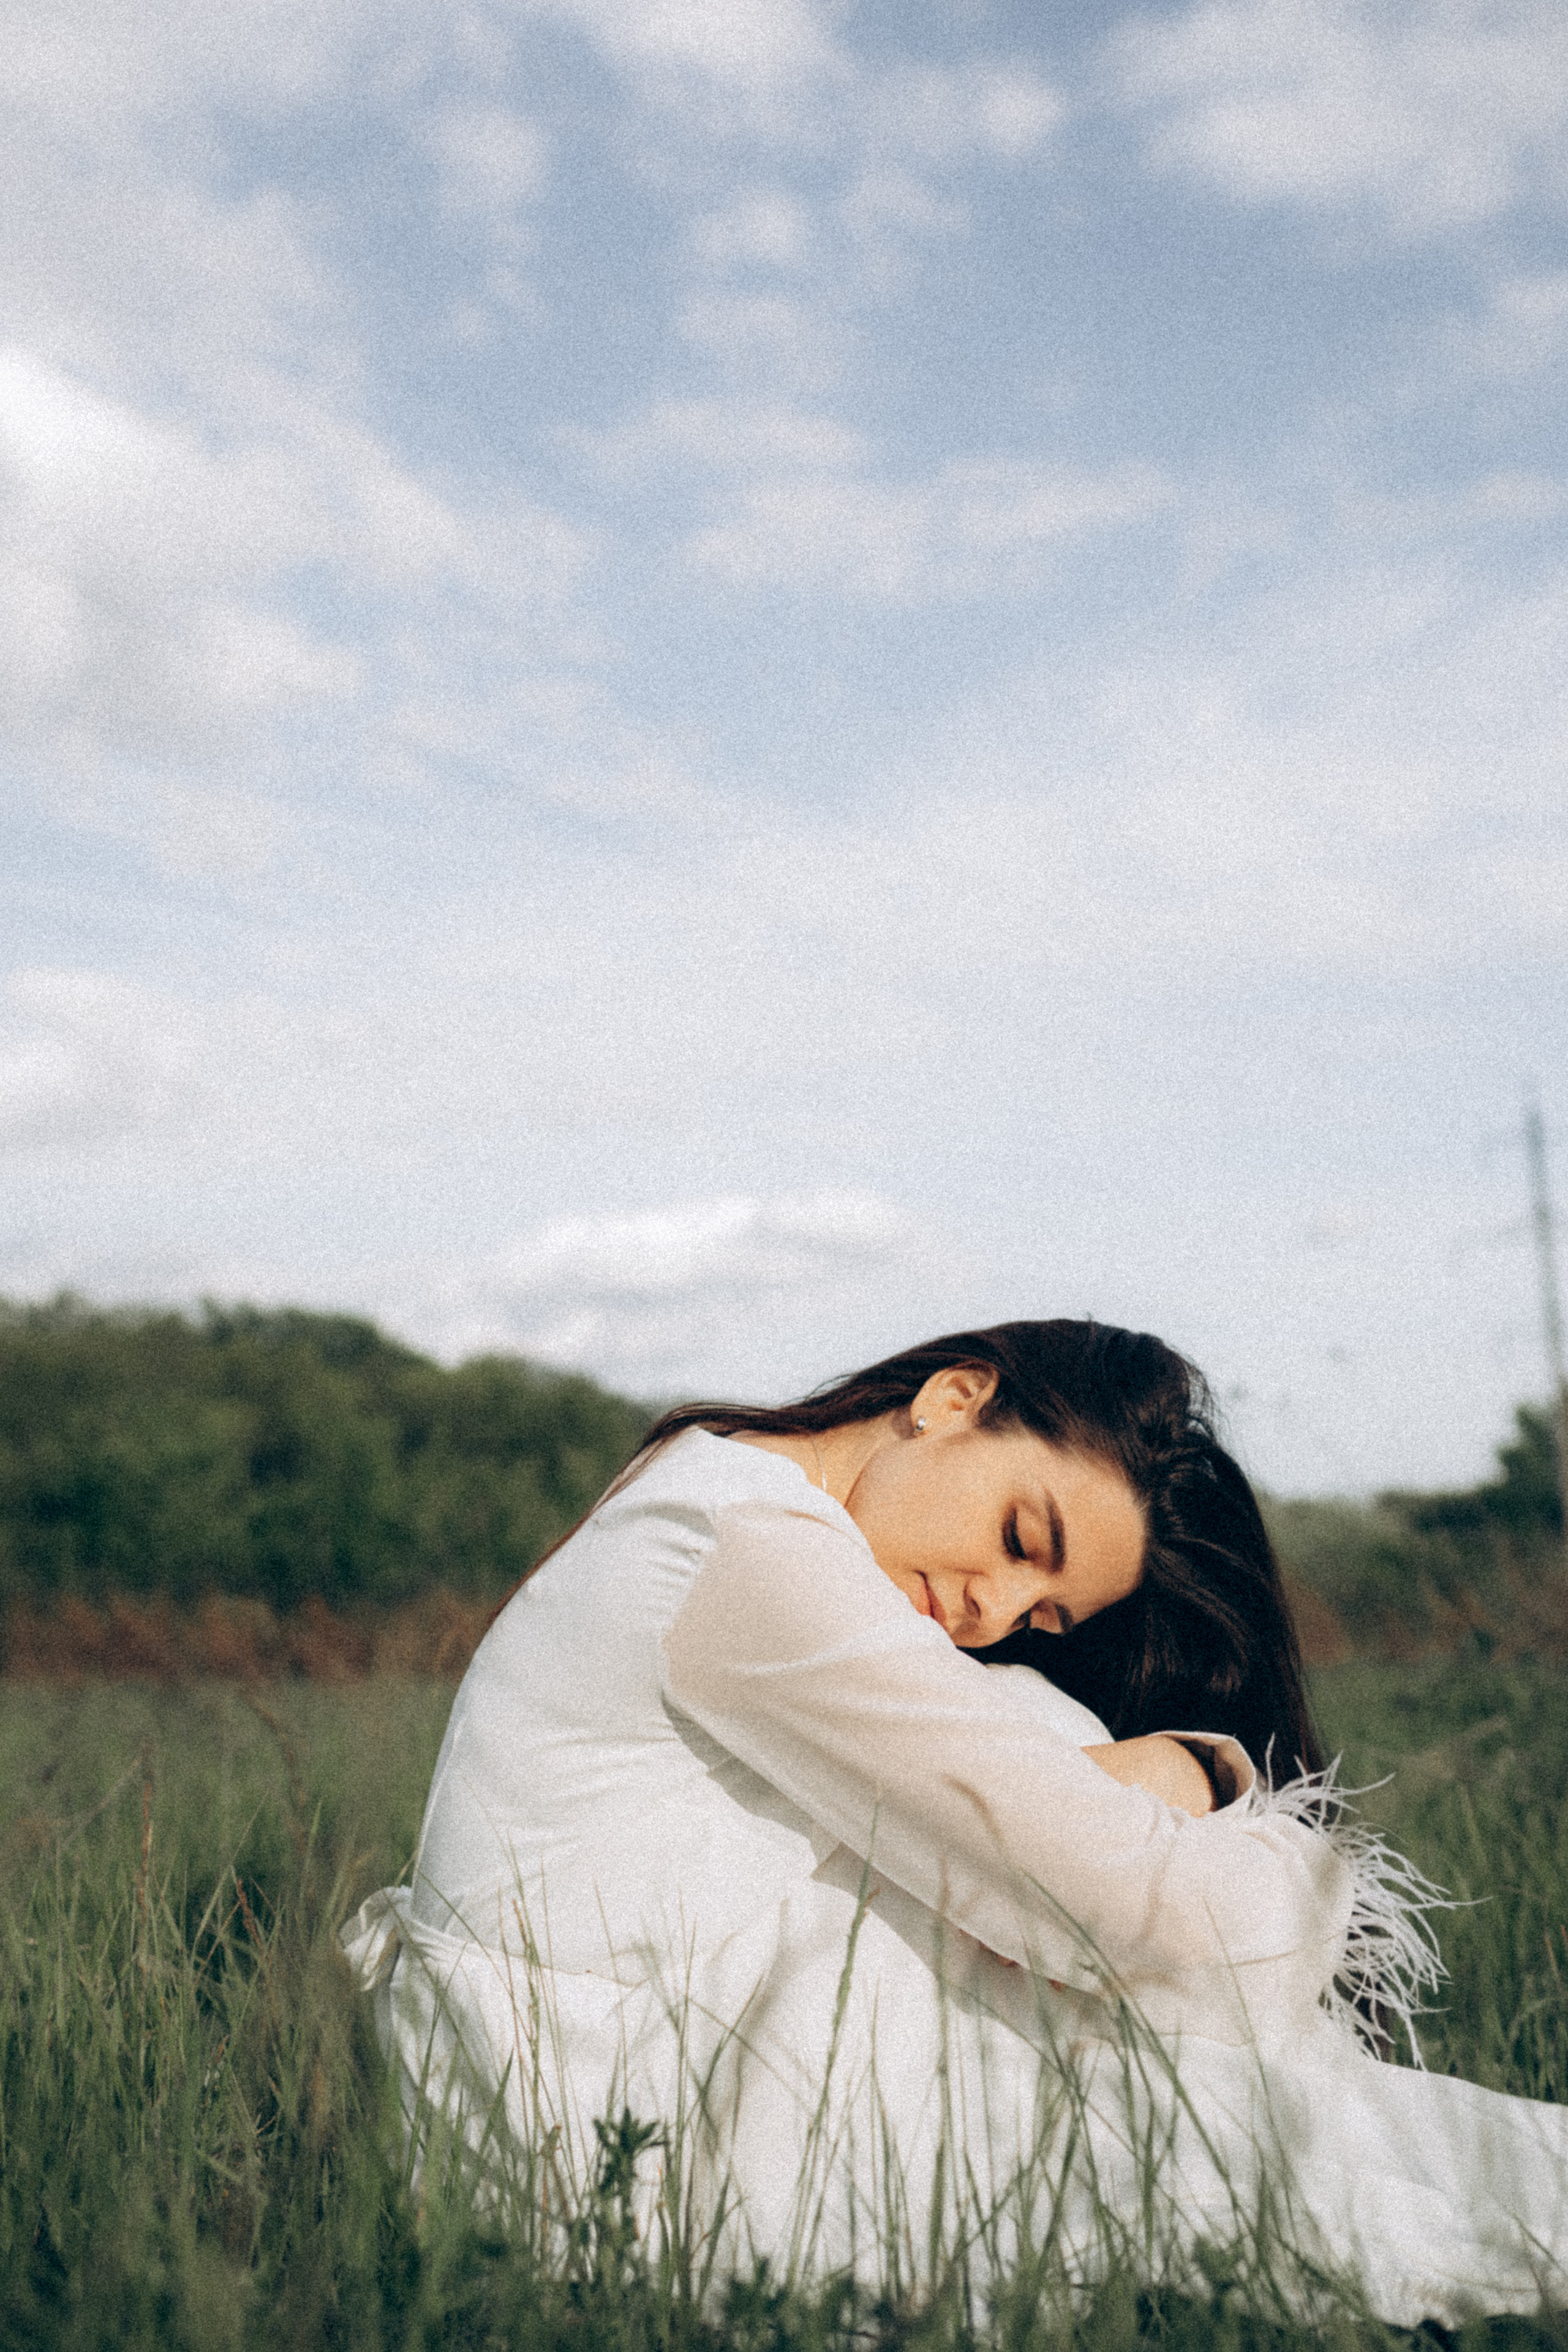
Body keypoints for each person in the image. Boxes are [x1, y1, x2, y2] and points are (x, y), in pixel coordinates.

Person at [343, 1321, 1568, 2326]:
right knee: (1327, 2158)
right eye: (1021, 1537)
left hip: (584, 2099)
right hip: (609, 2145)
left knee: (1282, 2128)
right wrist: (1200, 1774)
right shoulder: (745, 1551)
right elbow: (1149, 1918)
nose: (991, 1606)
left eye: (1040, 1608)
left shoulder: (711, 1495)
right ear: (953, 1397)